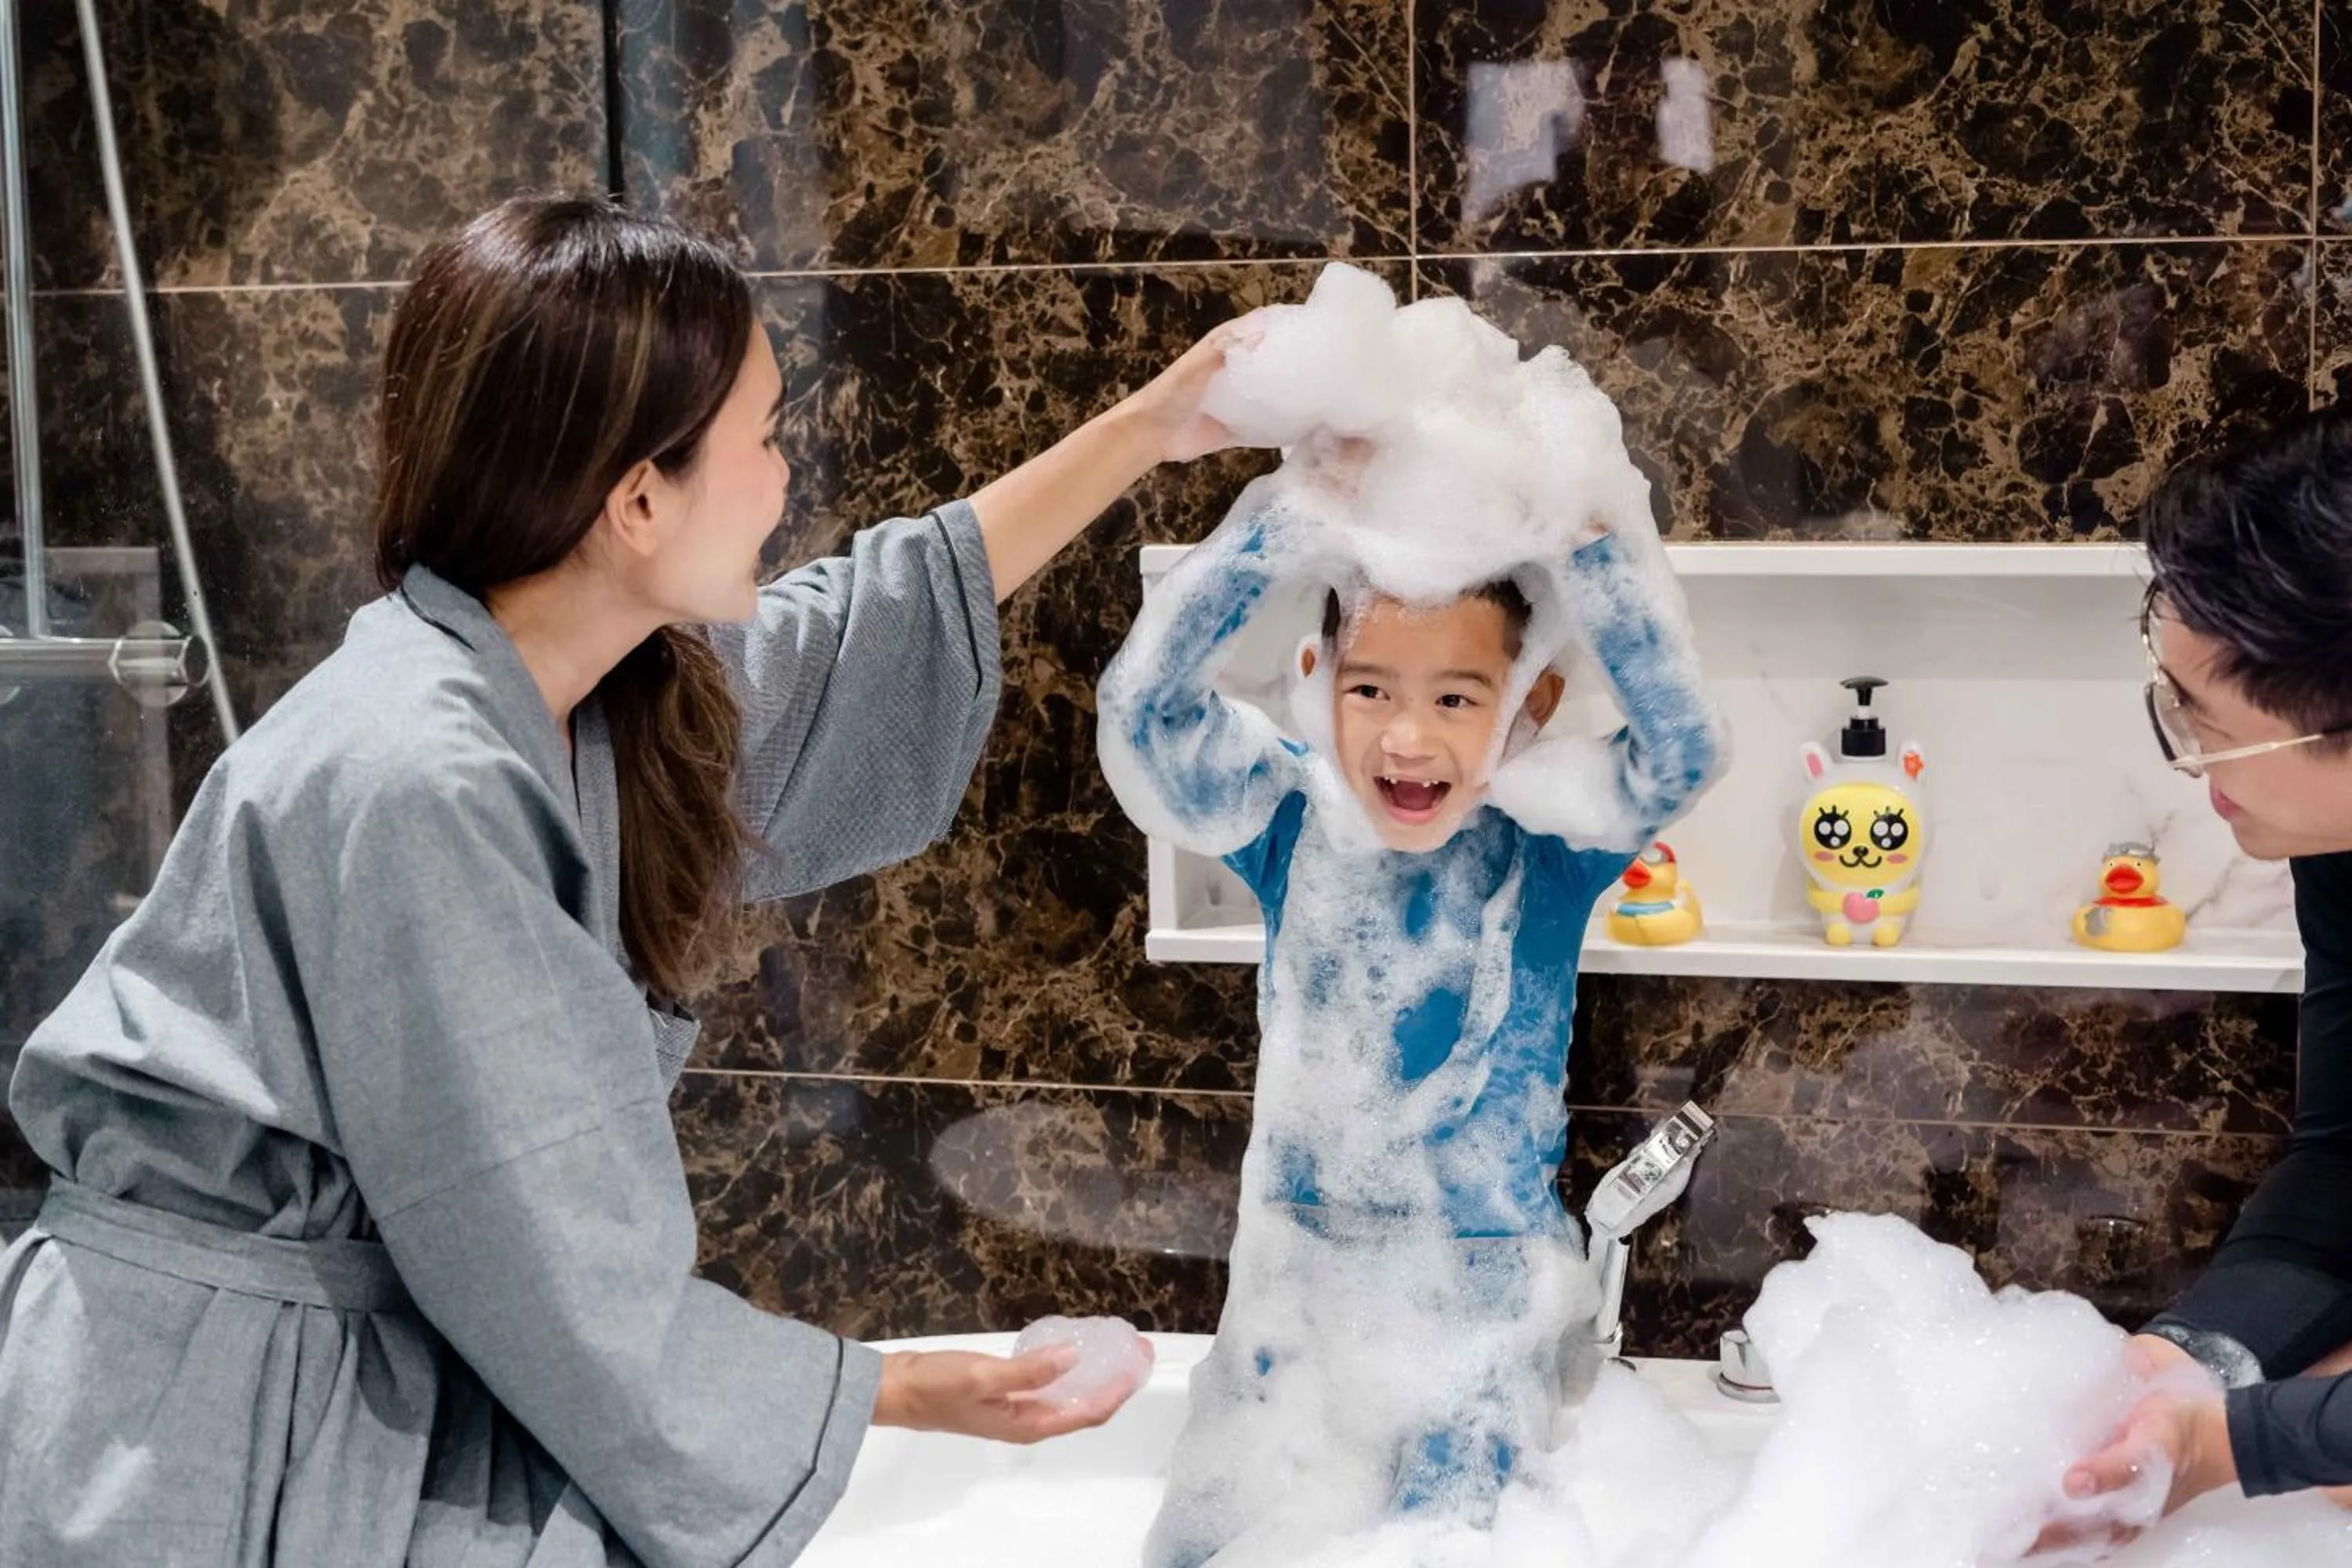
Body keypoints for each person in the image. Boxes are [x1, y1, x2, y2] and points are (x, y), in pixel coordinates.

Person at [0, 194, 1255, 1566]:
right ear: (639, 500)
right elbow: (545, 1257)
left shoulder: (585, 695)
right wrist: (904, 1392)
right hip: (200, 1420)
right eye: (766, 439)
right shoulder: (423, 772)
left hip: (320, 1367)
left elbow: (863, 628)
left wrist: (1154, 424)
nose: (786, 482)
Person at [1096, 447, 1723, 1564]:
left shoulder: (1547, 850)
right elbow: (1143, 714)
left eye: (1456, 697)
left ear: (1529, 704)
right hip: (1290, 1312)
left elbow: (1681, 755)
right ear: (1316, 676)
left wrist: (1592, 547)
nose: (1406, 736)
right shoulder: (1293, 830)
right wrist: (1285, 521)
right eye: (1371, 688)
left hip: (1479, 1324)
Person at [2042, 409, 2352, 1548]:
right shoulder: (2336, 844)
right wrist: (2182, 1368)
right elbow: (2346, 1159)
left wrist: (2232, 1443)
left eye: (2208, 725)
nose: (2186, 763)